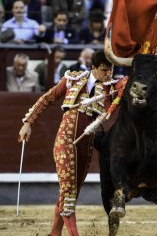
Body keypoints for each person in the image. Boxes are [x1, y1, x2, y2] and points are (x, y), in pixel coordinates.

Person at [18, 50, 123, 236]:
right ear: (93, 68)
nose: (109, 74)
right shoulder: (72, 79)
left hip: (87, 143)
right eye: (105, 70)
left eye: (111, 70)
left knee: (70, 194)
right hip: (65, 140)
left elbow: (131, 84)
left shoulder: (113, 86)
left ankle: (54, 234)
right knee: (68, 196)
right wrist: (28, 123)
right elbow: (47, 98)